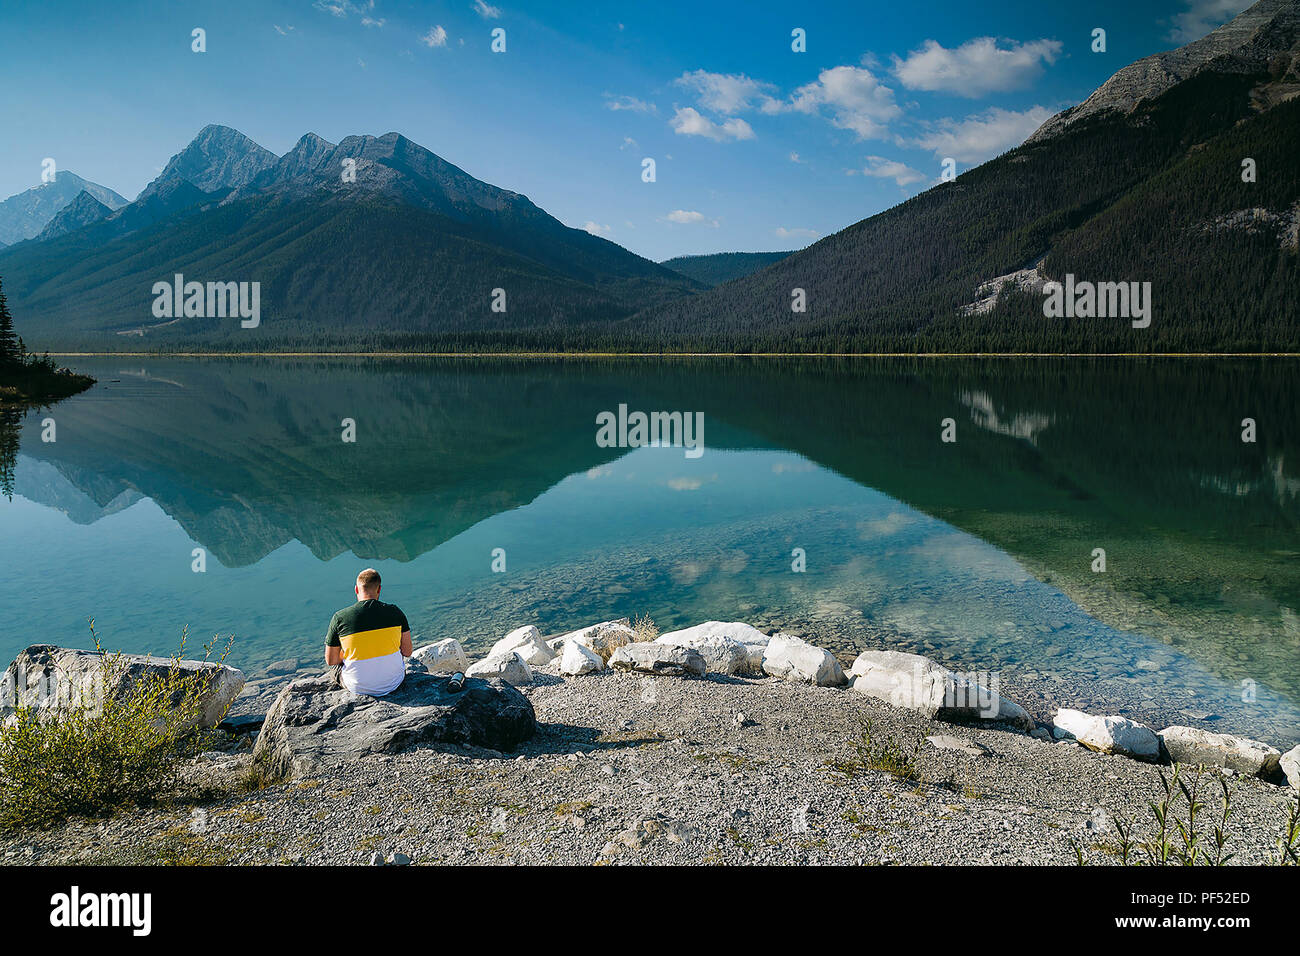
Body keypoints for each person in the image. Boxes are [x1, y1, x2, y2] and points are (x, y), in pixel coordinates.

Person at [324, 568, 413, 696]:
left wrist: (349, 653)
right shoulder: (395, 612)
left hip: (357, 687)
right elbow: (407, 651)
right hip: (394, 682)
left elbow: (331, 660)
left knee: (335, 668)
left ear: (356, 589)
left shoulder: (340, 617)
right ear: (379, 589)